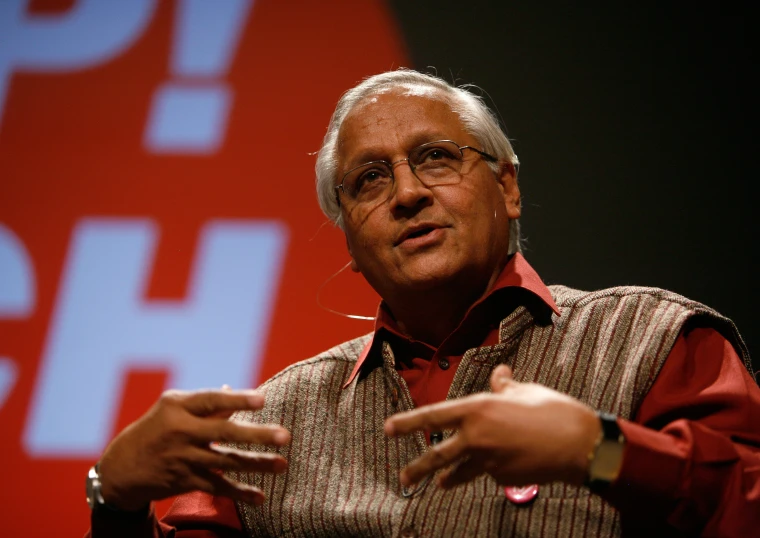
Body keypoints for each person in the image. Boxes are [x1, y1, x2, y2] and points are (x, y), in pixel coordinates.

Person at [85, 69, 760, 537]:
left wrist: (601, 449)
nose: (406, 193)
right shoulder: (279, 420)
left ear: (508, 188)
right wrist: (113, 497)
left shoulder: (655, 339)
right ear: (348, 236)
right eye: (370, 179)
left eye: (436, 157)